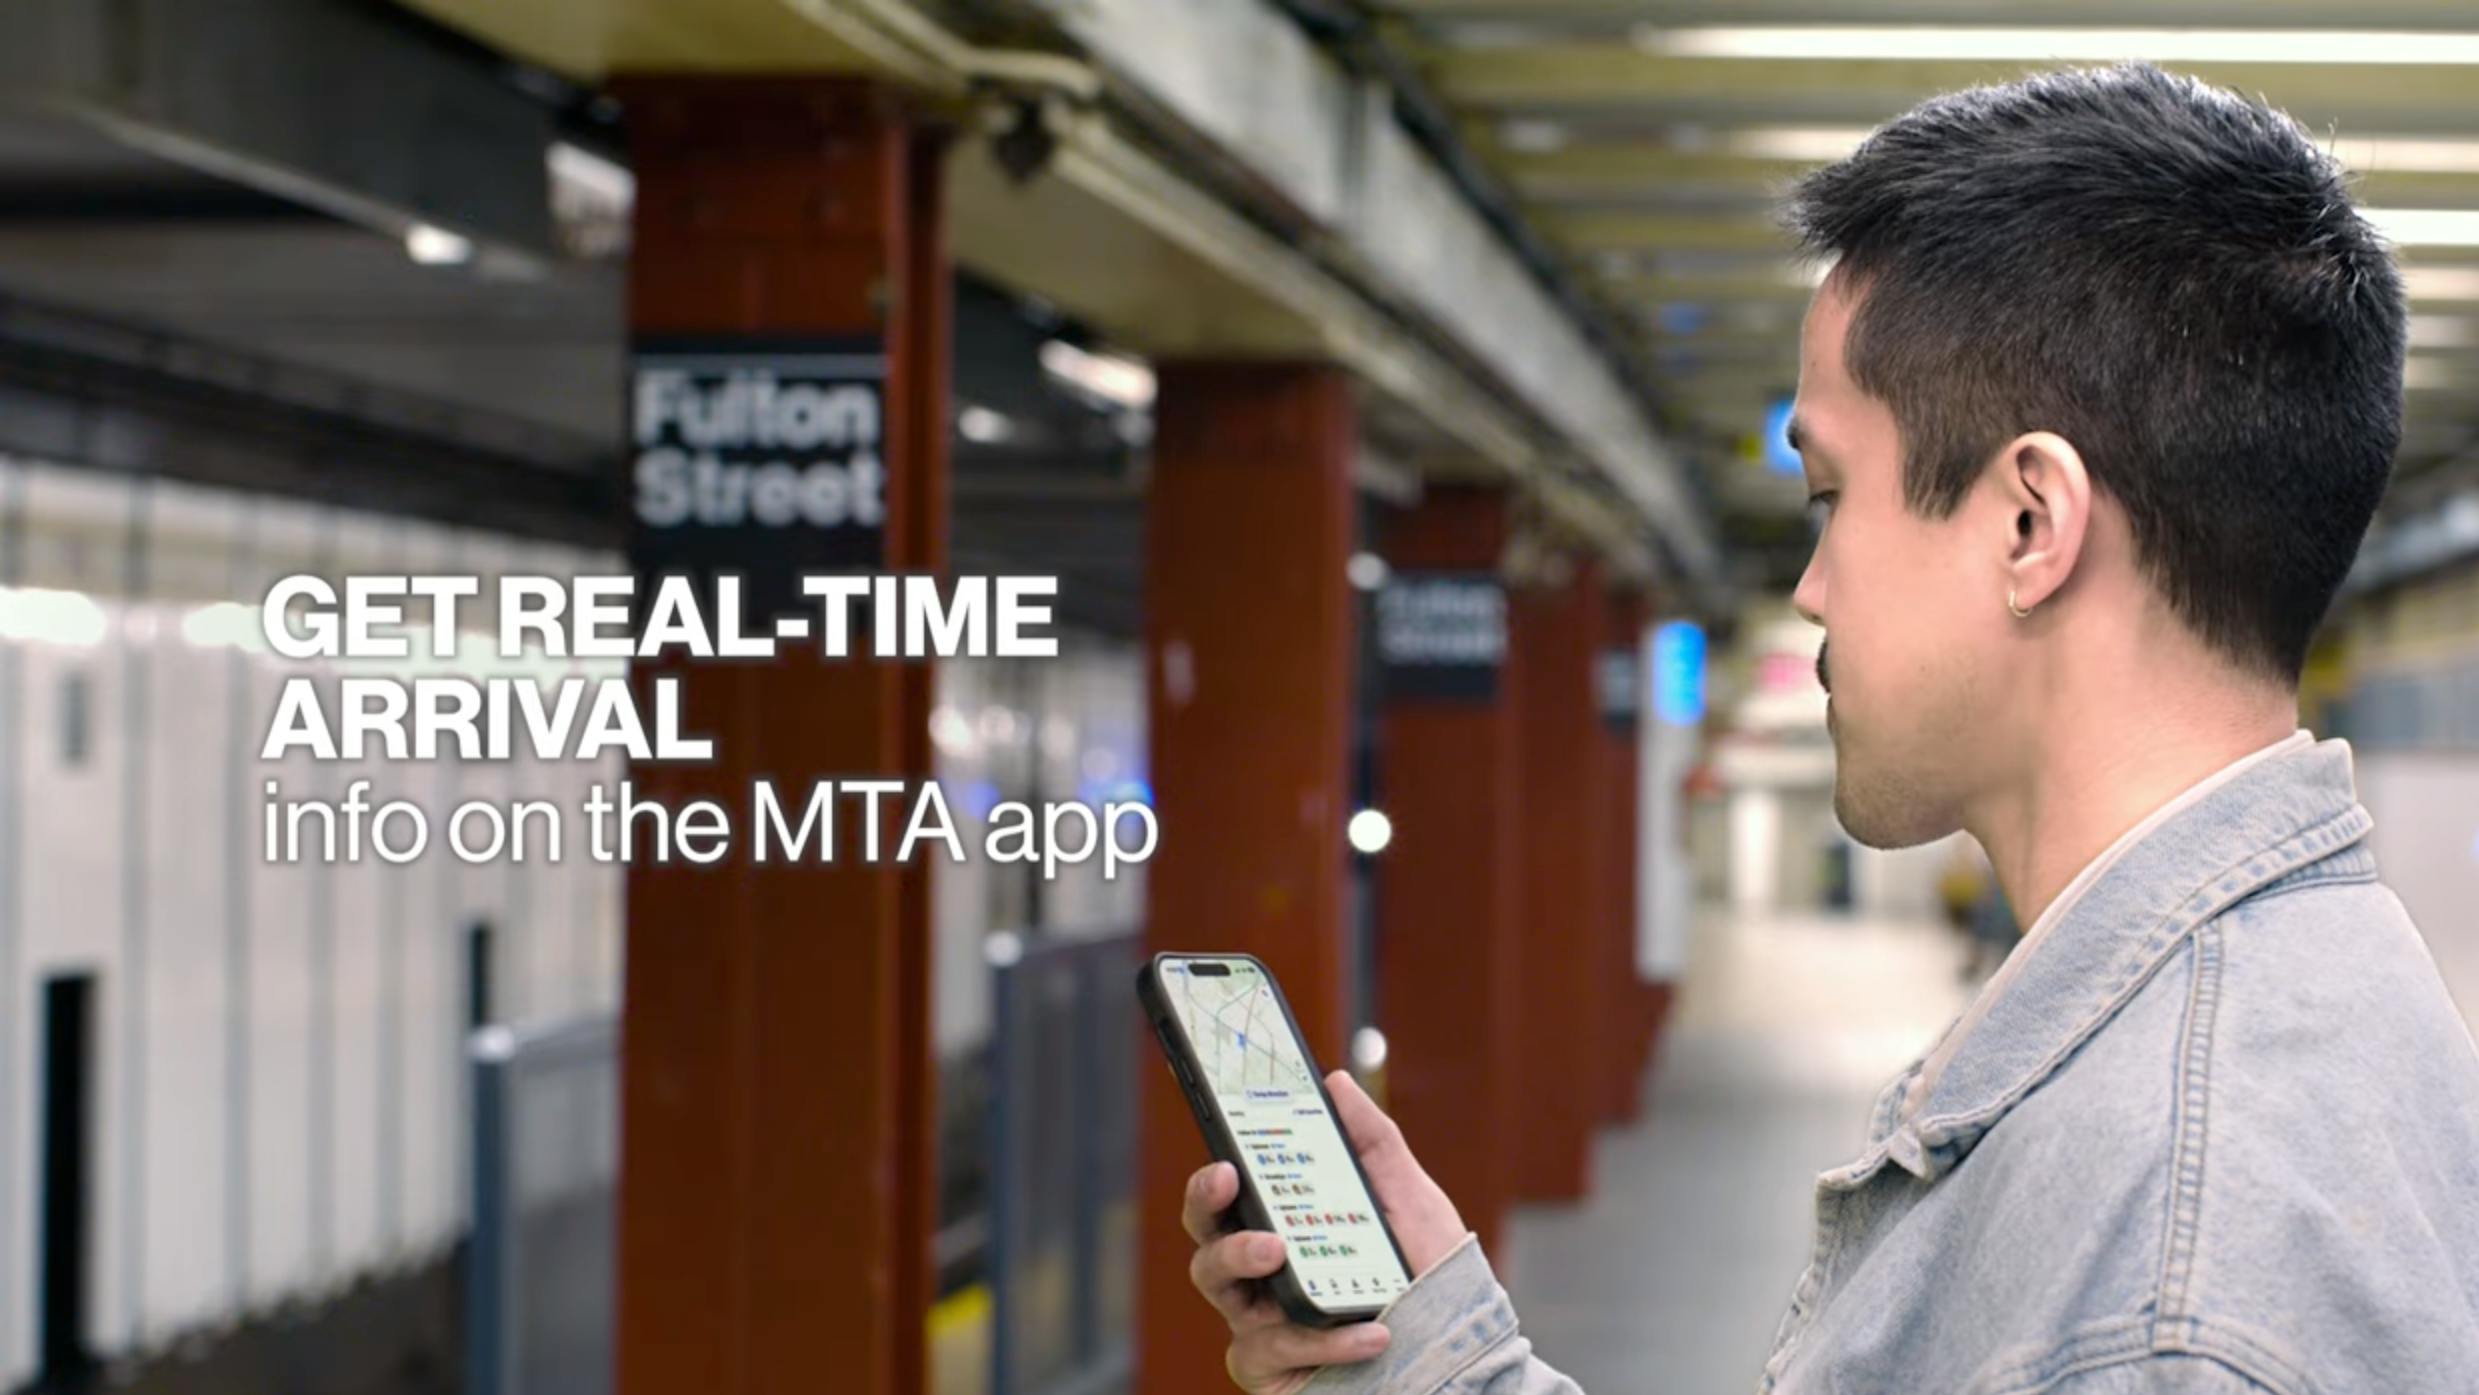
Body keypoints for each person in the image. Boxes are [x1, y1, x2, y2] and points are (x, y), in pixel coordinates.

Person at [1177, 63, 2479, 1394]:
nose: (1809, 587)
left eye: (1827, 496)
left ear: (2032, 523)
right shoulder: (2290, 1021)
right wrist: (1437, 1362)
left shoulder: (2173, 1294)